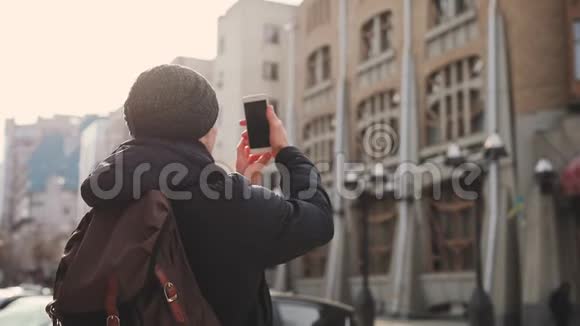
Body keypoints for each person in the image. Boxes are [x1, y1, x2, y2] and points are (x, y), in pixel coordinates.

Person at [79, 64, 334, 326]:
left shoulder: (112, 193)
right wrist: (285, 151)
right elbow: (318, 219)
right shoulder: (225, 201)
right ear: (205, 129)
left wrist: (244, 185)